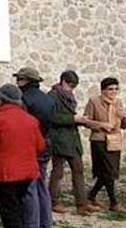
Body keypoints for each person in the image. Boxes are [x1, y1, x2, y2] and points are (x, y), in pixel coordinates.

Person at [0, 84, 45, 228]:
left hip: (5, 175)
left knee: (10, 215)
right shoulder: (31, 120)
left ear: (1, 100)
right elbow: (40, 146)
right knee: (22, 209)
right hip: (27, 174)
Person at [48, 70, 99, 214]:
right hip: (59, 139)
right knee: (57, 172)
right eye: (70, 85)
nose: (72, 88)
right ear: (63, 81)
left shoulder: (69, 96)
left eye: (74, 86)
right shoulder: (52, 96)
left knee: (78, 171)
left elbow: (69, 116)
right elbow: (52, 117)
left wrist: (81, 120)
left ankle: (82, 203)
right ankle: (53, 201)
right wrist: (73, 119)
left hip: (72, 140)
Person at [14, 67, 54, 228]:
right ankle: (46, 221)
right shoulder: (49, 99)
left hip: (30, 146)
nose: (17, 82)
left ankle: (32, 223)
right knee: (42, 185)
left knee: (29, 187)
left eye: (20, 79)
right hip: (46, 143)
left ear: (27, 81)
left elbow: (22, 125)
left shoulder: (23, 99)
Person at [84, 77, 126, 212]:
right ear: (103, 90)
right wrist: (101, 125)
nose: (113, 92)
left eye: (116, 89)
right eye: (110, 89)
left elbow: (124, 126)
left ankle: (91, 195)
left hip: (114, 140)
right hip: (99, 140)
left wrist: (125, 118)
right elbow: (86, 121)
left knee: (110, 172)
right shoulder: (94, 101)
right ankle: (114, 203)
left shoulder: (118, 102)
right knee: (107, 171)